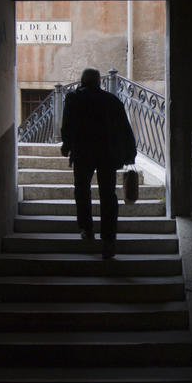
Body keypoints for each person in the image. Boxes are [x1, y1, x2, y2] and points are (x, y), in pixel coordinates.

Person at [61, 68, 137, 259]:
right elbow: (124, 128)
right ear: (99, 82)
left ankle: (87, 229)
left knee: (82, 190)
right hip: (107, 155)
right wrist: (130, 153)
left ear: (82, 81)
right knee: (108, 195)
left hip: (83, 153)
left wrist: (67, 145)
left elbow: (68, 124)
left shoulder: (74, 99)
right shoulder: (112, 101)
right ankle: (109, 240)